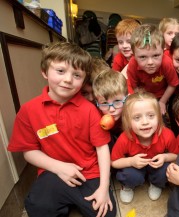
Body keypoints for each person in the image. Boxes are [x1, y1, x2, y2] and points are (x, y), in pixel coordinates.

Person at [7, 42, 116, 217]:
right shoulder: (28, 111)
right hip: (53, 172)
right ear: (44, 72)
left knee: (106, 213)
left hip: (89, 173)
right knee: (38, 207)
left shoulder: (89, 110)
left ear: (84, 79)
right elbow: (29, 151)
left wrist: (103, 188)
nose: (68, 79)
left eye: (77, 75)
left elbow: (102, 148)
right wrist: (59, 167)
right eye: (60, 71)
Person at [111, 91, 178, 204]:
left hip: (157, 166)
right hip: (134, 168)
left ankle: (156, 183)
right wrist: (131, 161)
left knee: (168, 169)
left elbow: (176, 154)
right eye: (137, 118)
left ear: (159, 117)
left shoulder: (167, 134)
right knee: (128, 175)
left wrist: (165, 157)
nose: (145, 122)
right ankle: (127, 186)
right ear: (128, 121)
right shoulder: (124, 138)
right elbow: (114, 162)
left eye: (151, 116)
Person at [127, 24, 179, 115]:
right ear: (134, 55)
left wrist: (162, 102)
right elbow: (134, 87)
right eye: (143, 57)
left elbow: (173, 84)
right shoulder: (132, 65)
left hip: (162, 96)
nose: (150, 62)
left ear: (163, 51)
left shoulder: (166, 62)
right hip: (143, 95)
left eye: (156, 55)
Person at [93, 67, 129, 151]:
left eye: (117, 101)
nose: (112, 109)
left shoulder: (132, 112)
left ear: (126, 99)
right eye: (104, 103)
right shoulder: (96, 116)